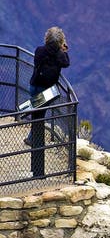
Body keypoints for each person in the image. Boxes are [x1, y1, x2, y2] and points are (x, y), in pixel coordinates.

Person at [24, 26, 70, 177]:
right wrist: (64, 50)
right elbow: (66, 63)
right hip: (46, 91)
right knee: (40, 115)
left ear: (47, 38)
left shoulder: (39, 50)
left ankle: (32, 138)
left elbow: (37, 61)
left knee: (36, 114)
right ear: (60, 41)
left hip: (34, 85)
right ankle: (37, 162)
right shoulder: (60, 55)